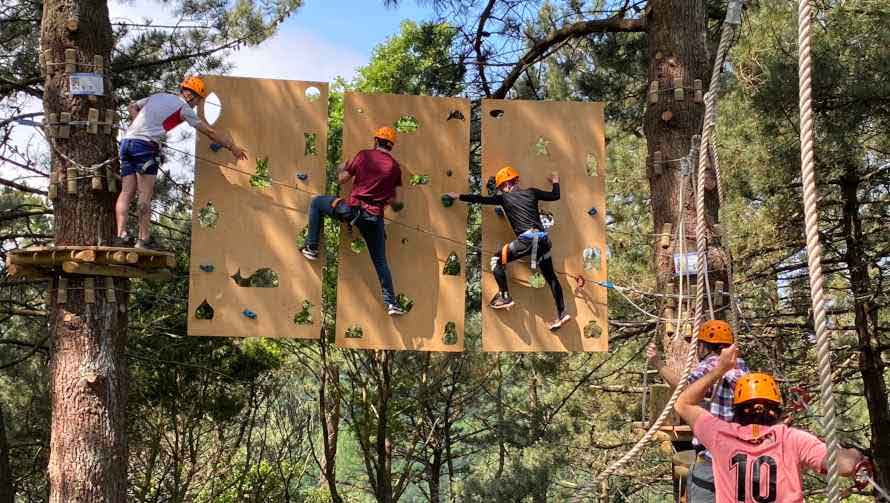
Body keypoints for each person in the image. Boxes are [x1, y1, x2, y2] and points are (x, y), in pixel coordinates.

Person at [675, 344, 865, 502]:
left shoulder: (720, 435)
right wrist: (856, 454)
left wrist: (720, 369)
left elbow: (683, 403)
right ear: (775, 409)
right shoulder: (793, 440)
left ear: (738, 410)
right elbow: (846, 466)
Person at [113, 76, 247, 249]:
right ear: (191, 96)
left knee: (126, 192)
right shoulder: (183, 108)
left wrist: (140, 124)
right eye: (198, 100)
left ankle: (120, 235)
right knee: (145, 194)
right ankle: (143, 240)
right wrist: (231, 147)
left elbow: (132, 106)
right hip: (145, 146)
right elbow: (209, 131)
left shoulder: (159, 96)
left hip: (126, 142)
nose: (197, 105)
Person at [445, 166, 569, 330]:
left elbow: (481, 199)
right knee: (551, 276)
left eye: (503, 186)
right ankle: (562, 313)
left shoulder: (504, 198)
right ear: (516, 181)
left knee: (497, 259)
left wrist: (457, 196)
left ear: (506, 185)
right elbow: (555, 195)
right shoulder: (532, 192)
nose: (504, 189)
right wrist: (555, 181)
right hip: (543, 241)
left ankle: (505, 296)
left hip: (527, 240)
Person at [300, 126, 405, 316]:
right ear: (391, 146)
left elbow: (342, 180)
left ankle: (312, 248)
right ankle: (392, 304)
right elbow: (395, 201)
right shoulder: (395, 168)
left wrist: (341, 168)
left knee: (316, 202)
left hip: (351, 210)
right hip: (374, 219)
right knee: (381, 262)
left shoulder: (364, 156)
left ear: (376, 141)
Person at [647, 320, 749, 502]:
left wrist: (657, 363)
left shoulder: (711, 364)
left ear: (703, 346)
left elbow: (684, 388)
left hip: (712, 456)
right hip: (741, 455)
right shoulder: (741, 365)